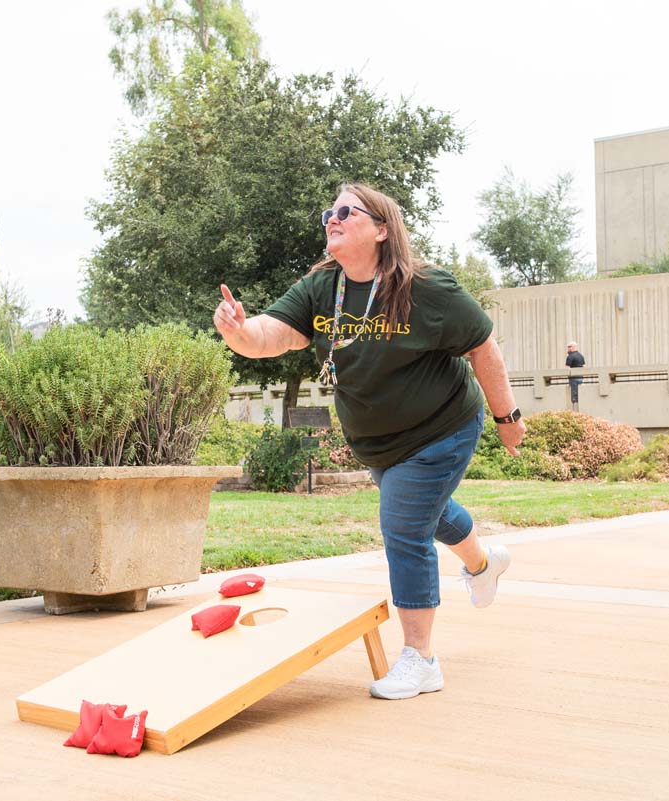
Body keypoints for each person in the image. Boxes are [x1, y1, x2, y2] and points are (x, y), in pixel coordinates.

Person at [213, 183, 526, 701]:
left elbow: (483, 346)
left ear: (381, 229)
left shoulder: (426, 288)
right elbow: (272, 335)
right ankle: (483, 563)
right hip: (379, 441)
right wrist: (238, 331)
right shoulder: (321, 287)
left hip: (442, 427)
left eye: (345, 211)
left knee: (404, 525)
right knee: (431, 512)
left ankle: (421, 659)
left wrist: (506, 416)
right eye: (328, 213)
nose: (331, 219)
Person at [566, 341, 585, 410]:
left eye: (569, 347)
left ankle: (575, 411)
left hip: (573, 378)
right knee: (579, 393)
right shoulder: (581, 356)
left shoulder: (570, 356)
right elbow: (582, 366)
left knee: (574, 396)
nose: (568, 349)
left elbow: (567, 368)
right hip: (580, 377)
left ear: (572, 347)